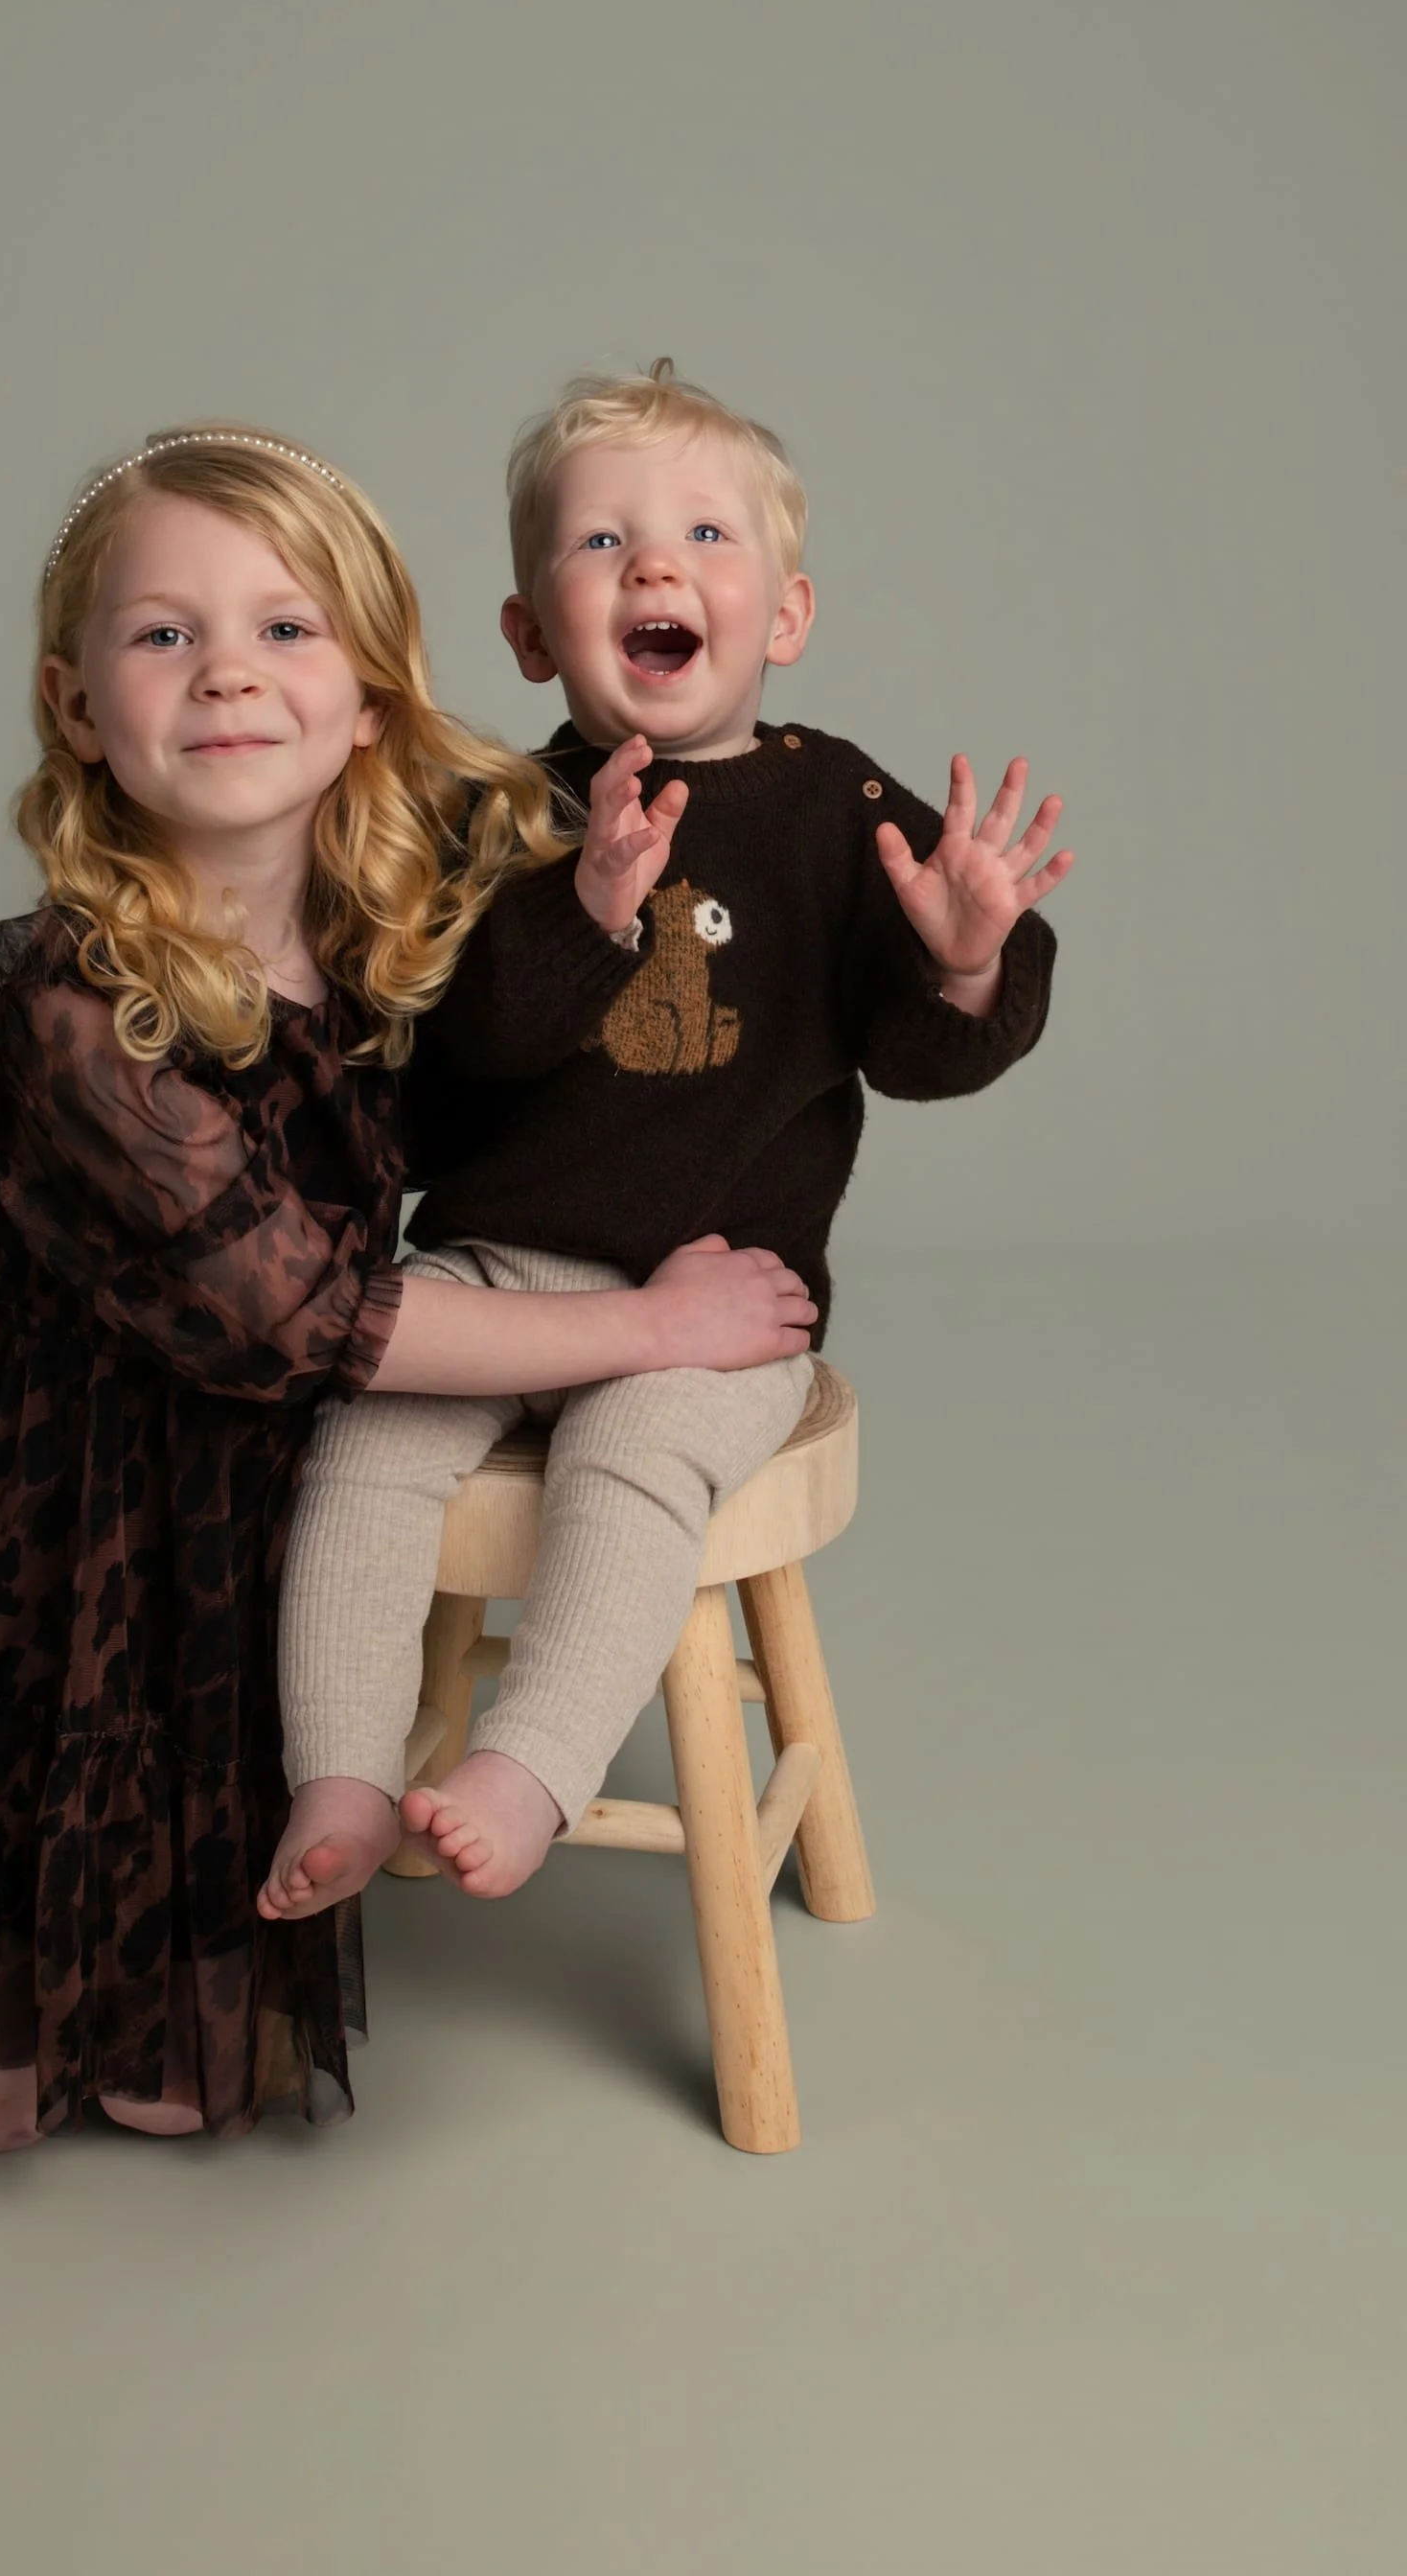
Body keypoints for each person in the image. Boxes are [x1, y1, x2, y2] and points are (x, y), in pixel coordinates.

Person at [0, 423, 816, 2149]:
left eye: (284, 629)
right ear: (73, 700)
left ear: (370, 695)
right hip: (58, 1513)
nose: (228, 674)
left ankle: (297, 1802)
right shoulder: (68, 1007)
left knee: (184, 2098)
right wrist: (643, 1326)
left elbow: (675, 857)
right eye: (163, 634)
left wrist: (908, 951)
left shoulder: (401, 921)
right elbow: (314, 1313)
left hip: (264, 1491)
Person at [264, 361, 1073, 1915]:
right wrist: (583, 913)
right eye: (600, 545)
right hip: (499, 1265)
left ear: (784, 614)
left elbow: (916, 1055)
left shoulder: (837, 807)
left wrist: (967, 956)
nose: (654, 566)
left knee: (633, 1463)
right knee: (359, 1447)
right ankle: (344, 1773)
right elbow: (443, 1062)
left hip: (723, 1300)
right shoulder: (496, 812)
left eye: (706, 534)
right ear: (527, 631)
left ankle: (534, 1757)